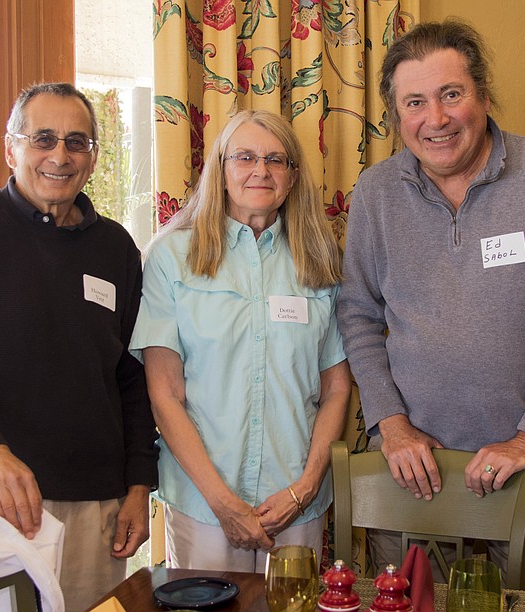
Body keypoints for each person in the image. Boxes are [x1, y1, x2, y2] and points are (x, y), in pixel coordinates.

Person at [336, 19, 525, 594]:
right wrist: (392, 427)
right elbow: (357, 315)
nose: (434, 119)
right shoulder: (376, 193)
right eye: (415, 102)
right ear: (396, 115)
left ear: (483, 97)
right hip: (414, 476)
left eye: (451, 95)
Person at [0, 82, 159, 610]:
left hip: (93, 506)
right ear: (11, 148)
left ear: (92, 157)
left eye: (77, 141)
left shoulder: (115, 247)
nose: (59, 155)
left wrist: (139, 484)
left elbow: (132, 378)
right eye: (42, 138)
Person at [131, 109, 351, 572]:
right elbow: (164, 393)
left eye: (276, 159)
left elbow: (335, 389)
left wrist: (307, 485)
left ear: (292, 177)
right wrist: (222, 502)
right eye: (245, 156)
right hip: (203, 504)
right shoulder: (172, 257)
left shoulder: (319, 259)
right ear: (221, 169)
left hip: (295, 503)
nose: (261, 170)